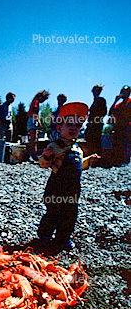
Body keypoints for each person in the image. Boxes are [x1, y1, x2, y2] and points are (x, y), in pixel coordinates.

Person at [37, 102, 100, 253]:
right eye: (69, 124)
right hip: (56, 189)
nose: (73, 128)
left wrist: (88, 161)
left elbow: (78, 166)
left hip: (72, 190)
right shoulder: (55, 146)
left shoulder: (77, 149)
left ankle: (63, 239)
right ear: (59, 128)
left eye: (77, 126)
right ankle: (44, 236)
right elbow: (43, 164)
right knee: (53, 213)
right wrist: (46, 156)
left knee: (70, 215)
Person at [108, 85, 131, 166]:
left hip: (126, 126)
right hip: (117, 126)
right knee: (117, 143)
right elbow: (110, 113)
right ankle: (118, 159)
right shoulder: (118, 105)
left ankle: (125, 160)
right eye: (123, 91)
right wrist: (115, 101)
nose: (124, 93)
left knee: (125, 142)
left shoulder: (130, 102)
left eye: (127, 92)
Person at [85, 85, 107, 156]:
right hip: (91, 124)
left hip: (97, 124)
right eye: (95, 90)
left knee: (96, 141)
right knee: (90, 140)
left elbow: (104, 112)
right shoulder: (94, 101)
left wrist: (95, 121)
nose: (96, 92)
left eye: (98, 90)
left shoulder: (101, 100)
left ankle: (97, 157)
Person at [27, 90, 49, 158]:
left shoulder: (35, 102)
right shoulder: (35, 102)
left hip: (32, 120)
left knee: (34, 139)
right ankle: (33, 154)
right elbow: (34, 112)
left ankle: (33, 154)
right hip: (32, 120)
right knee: (33, 139)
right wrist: (38, 121)